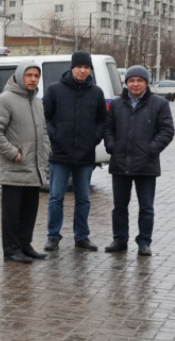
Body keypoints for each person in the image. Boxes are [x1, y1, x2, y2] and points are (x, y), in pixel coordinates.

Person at [103, 65, 174, 256]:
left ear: (146, 82)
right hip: (120, 163)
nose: (135, 84)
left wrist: (151, 149)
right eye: (131, 80)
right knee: (119, 207)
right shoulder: (117, 104)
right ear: (126, 83)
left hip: (146, 164)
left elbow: (167, 131)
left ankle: (144, 242)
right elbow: (108, 128)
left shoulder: (159, 104)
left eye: (139, 80)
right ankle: (120, 240)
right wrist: (112, 146)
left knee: (146, 207)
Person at [0, 62, 51, 264]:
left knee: (29, 212)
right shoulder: (5, 100)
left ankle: (25, 245)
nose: (32, 79)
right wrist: (13, 153)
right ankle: (11, 250)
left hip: (34, 168)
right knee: (12, 214)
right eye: (29, 75)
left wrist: (45, 153)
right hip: (15, 167)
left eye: (36, 76)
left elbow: (44, 132)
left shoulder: (37, 102)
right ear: (20, 75)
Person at [42, 51, 107, 252]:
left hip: (85, 155)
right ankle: (53, 236)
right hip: (60, 154)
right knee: (56, 197)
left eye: (86, 67)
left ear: (90, 70)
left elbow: (101, 121)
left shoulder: (96, 93)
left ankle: (82, 236)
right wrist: (56, 136)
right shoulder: (54, 90)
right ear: (72, 68)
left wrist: (93, 140)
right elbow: (45, 119)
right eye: (79, 67)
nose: (82, 70)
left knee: (83, 198)